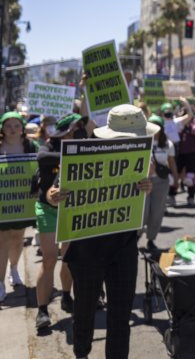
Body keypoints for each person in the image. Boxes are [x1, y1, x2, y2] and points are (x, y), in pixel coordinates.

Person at [51, 104, 156, 359]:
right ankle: (82, 353)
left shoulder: (141, 155)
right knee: (85, 310)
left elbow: (147, 178)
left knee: (120, 314)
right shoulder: (84, 152)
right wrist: (55, 195)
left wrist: (146, 186)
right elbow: (55, 190)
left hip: (123, 248)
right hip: (87, 250)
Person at [32, 114, 86, 330]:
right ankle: (42, 311)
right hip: (48, 209)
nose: (79, 132)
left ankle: (66, 296)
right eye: (74, 129)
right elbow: (43, 160)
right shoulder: (49, 148)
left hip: (72, 210)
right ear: (64, 132)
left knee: (69, 258)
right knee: (49, 259)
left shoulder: (84, 146)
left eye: (81, 128)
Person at [0, 112, 39, 303]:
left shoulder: (31, 146)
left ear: (22, 128)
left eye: (16, 125)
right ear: (2, 128)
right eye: (8, 125)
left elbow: (43, 166)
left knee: (17, 237)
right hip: (3, 204)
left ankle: (14, 269)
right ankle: (0, 282)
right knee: (3, 240)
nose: (12, 129)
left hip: (23, 203)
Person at [142, 115, 179, 251]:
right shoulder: (142, 142)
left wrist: (176, 179)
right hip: (144, 183)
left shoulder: (168, 144)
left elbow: (172, 163)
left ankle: (151, 240)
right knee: (143, 213)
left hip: (161, 182)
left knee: (157, 213)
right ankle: (136, 235)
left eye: (156, 126)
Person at [176, 99, 195, 206]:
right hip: (180, 151)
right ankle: (171, 194)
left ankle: (191, 196)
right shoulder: (179, 121)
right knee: (175, 173)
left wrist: (190, 128)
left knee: (190, 175)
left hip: (193, 151)